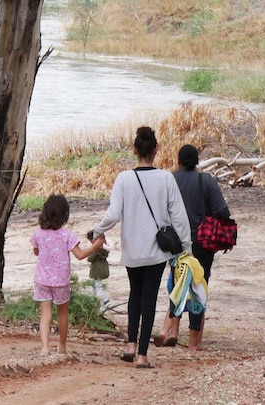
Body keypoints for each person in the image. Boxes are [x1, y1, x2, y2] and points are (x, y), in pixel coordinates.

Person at [91, 126, 192, 369]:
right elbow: (178, 216)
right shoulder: (166, 178)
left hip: (132, 249)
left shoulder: (124, 178)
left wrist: (97, 231)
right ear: (156, 150)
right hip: (157, 251)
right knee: (148, 298)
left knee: (134, 295)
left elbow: (113, 214)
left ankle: (130, 346)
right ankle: (143, 355)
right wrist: (186, 245)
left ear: (135, 149)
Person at [155, 144, 231, 351]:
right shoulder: (205, 180)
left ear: (178, 161)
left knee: (178, 286)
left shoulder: (170, 179)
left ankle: (172, 331)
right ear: (197, 161)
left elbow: (160, 211)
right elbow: (223, 212)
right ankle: (193, 343)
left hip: (176, 245)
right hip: (203, 243)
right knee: (199, 287)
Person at [31, 194, 105, 356]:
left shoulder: (38, 234)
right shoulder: (67, 235)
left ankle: (44, 347)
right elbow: (79, 255)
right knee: (62, 313)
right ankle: (62, 346)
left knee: (45, 314)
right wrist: (94, 247)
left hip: (42, 279)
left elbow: (36, 251)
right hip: (60, 281)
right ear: (65, 215)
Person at [86, 230, 111, 311]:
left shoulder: (96, 249)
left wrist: (92, 250)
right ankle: (92, 300)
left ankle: (106, 300)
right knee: (94, 285)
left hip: (97, 270)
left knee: (97, 286)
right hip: (100, 268)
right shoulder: (104, 248)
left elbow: (89, 258)